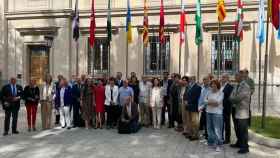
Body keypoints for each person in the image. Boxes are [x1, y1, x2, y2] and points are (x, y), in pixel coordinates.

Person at [200, 80, 224, 152]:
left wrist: (209, 102)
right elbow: (204, 100)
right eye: (212, 85)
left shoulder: (221, 93)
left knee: (217, 129)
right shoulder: (209, 92)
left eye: (214, 84)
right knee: (209, 128)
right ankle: (212, 142)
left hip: (217, 113)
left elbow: (217, 103)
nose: (213, 86)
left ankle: (219, 144)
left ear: (217, 85)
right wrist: (211, 102)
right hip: (208, 112)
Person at [230, 72, 251, 154]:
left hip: (242, 111)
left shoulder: (245, 86)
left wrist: (232, 99)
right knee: (237, 128)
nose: (235, 77)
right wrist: (233, 98)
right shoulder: (236, 85)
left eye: (236, 76)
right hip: (235, 109)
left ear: (241, 77)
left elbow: (238, 98)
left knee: (243, 130)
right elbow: (231, 95)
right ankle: (239, 143)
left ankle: (245, 147)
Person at [184, 76, 201, 140]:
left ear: (195, 79)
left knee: (195, 121)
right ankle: (190, 133)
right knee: (189, 121)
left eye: (192, 79)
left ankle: (195, 135)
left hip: (194, 107)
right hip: (188, 107)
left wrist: (188, 101)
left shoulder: (198, 87)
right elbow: (185, 95)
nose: (191, 80)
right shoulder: (188, 87)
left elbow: (196, 97)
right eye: (190, 79)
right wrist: (185, 100)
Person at [220, 74, 234, 144]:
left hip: (226, 108)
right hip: (220, 108)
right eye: (222, 77)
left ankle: (227, 138)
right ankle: (221, 137)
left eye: (224, 77)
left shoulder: (230, 87)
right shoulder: (220, 86)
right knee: (221, 123)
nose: (222, 78)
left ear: (227, 78)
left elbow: (229, 98)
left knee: (227, 124)